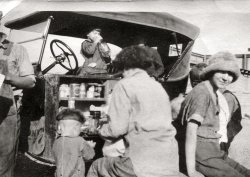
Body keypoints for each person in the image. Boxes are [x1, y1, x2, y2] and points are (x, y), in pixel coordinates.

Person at [87, 45, 180, 177]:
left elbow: (116, 130)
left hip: (142, 161)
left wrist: (100, 129)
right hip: (169, 159)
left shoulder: (124, 84)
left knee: (97, 165)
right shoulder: (158, 87)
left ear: (125, 66)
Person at [179, 51, 250, 177]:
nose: (226, 77)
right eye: (222, 72)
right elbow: (190, 131)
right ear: (210, 72)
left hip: (214, 151)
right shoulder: (202, 93)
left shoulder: (214, 92)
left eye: (230, 74)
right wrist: (191, 171)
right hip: (203, 155)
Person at [0, 11, 36, 177]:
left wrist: (6, 77)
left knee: (5, 162)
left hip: (6, 112)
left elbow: (30, 81)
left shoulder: (15, 49)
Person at [52, 108, 95, 177]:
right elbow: (90, 156)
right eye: (80, 128)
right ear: (75, 128)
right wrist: (90, 146)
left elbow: (55, 156)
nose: (80, 130)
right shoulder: (80, 140)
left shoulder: (56, 142)